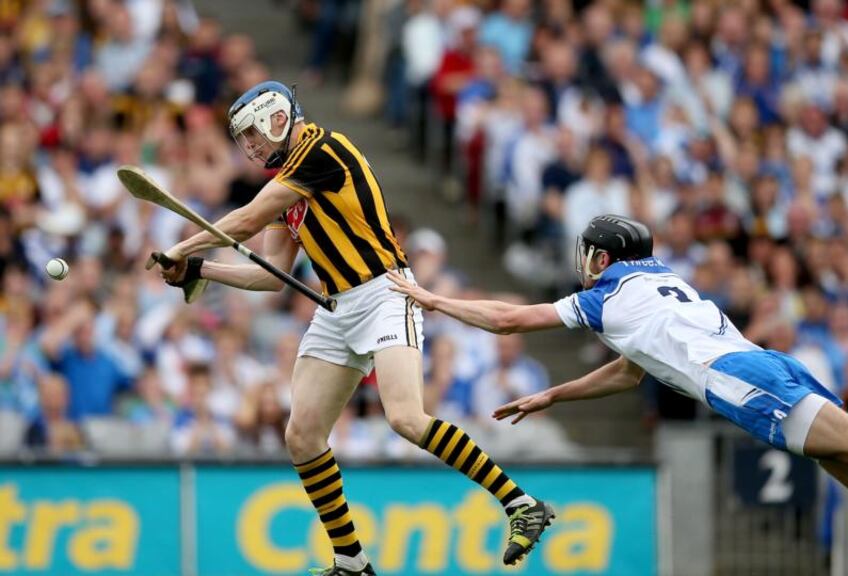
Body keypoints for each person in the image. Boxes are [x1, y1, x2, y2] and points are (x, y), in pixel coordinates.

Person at [389, 214, 848, 570]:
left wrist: (431, 299)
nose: (584, 263)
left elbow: (506, 320)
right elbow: (631, 371)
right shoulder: (655, 283)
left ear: (603, 258)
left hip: (744, 384)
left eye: (589, 254)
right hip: (765, 369)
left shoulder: (606, 295)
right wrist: (553, 396)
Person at [153, 81, 552, 576]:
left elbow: (247, 220)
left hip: (386, 294)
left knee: (406, 418)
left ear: (279, 118)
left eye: (253, 132)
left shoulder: (323, 150)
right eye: (243, 139)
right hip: (337, 307)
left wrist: (181, 249)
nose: (250, 146)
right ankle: (351, 561)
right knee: (301, 435)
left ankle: (520, 504)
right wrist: (200, 272)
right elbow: (271, 273)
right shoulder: (287, 182)